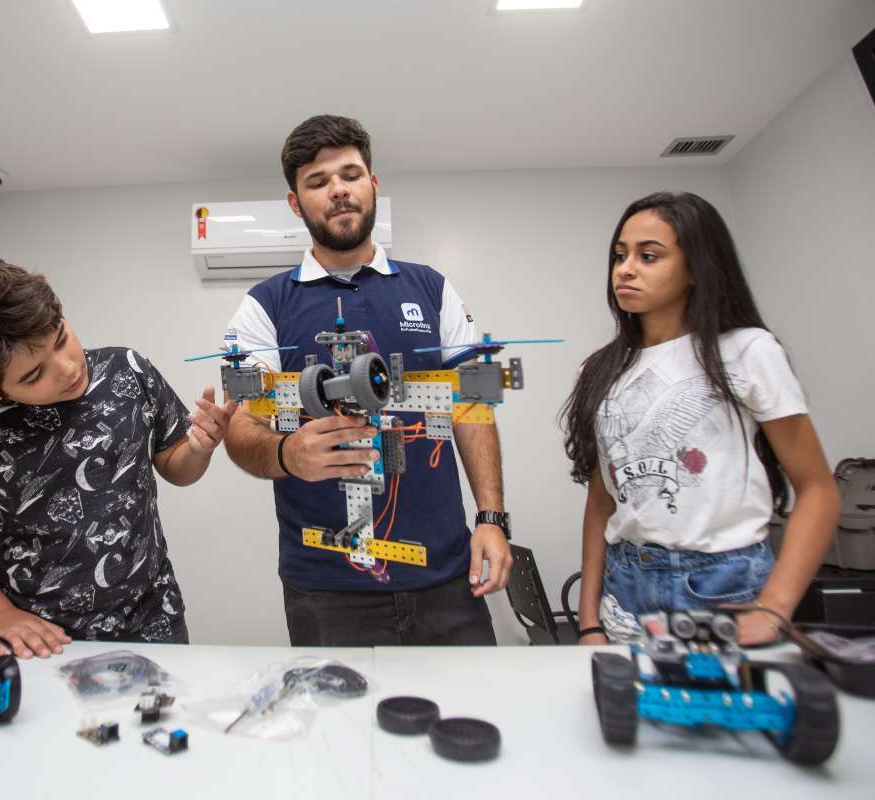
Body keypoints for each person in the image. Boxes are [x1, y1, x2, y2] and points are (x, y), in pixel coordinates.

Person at [222, 115, 511, 646]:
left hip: (445, 574)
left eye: (350, 174)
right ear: (295, 203)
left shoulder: (433, 287)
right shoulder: (262, 307)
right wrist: (288, 454)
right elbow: (240, 429)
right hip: (326, 587)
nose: (337, 191)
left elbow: (474, 406)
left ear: (372, 185)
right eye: (317, 181)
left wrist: (492, 517)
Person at [0, 257, 235, 653]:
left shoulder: (127, 371)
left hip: (151, 618)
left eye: (61, 338)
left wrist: (198, 450)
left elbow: (176, 466)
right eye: (33, 375)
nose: (66, 368)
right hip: (37, 635)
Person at [561, 191, 840, 646]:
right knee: (632, 714)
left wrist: (774, 608)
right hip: (626, 584)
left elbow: (817, 489)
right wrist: (589, 621)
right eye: (620, 255)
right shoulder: (599, 369)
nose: (625, 269)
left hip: (723, 584)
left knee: (725, 715)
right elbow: (601, 502)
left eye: (649, 256)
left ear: (696, 267)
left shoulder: (747, 351)